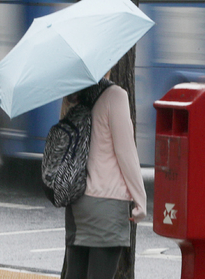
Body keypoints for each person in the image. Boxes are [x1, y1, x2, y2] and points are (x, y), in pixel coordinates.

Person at [63, 75, 147, 279]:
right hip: (107, 206)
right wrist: (140, 201)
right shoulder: (115, 96)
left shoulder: (71, 97)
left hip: (77, 206)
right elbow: (125, 153)